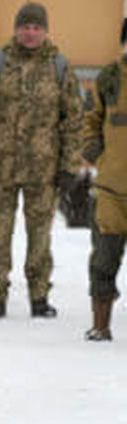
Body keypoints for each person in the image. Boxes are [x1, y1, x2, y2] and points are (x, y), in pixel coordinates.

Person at [0, 2, 82, 319]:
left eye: (36, 27)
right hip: (1, 168)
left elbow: (73, 118)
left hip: (44, 171)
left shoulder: (59, 67)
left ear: (45, 31)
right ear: (16, 29)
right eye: (25, 26)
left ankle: (39, 295)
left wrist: (70, 164)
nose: (30, 33)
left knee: (40, 236)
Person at [80, 18, 127, 341]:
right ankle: (101, 324)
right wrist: (95, 151)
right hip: (112, 188)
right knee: (104, 258)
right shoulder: (110, 78)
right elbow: (90, 119)